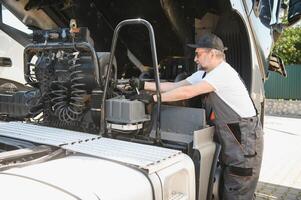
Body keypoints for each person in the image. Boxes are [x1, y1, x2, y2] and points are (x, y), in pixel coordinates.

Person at [130, 33, 264, 200]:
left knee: (238, 187)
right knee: (228, 184)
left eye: (198, 54)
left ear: (213, 54)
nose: (195, 59)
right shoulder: (205, 74)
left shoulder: (223, 73)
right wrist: (143, 85)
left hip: (245, 137)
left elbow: (187, 92)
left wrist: (153, 98)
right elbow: (176, 85)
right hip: (234, 135)